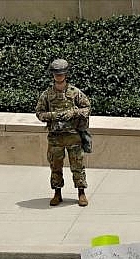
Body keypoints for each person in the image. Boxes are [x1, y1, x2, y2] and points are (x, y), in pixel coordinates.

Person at [35, 58, 91, 207]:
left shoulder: (75, 93)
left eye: (61, 74)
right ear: (52, 75)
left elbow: (87, 108)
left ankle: (81, 192)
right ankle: (57, 193)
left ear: (66, 74)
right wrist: (53, 116)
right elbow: (39, 113)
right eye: (56, 74)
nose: (59, 76)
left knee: (77, 165)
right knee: (56, 166)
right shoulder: (47, 95)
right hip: (56, 137)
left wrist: (73, 112)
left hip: (73, 136)